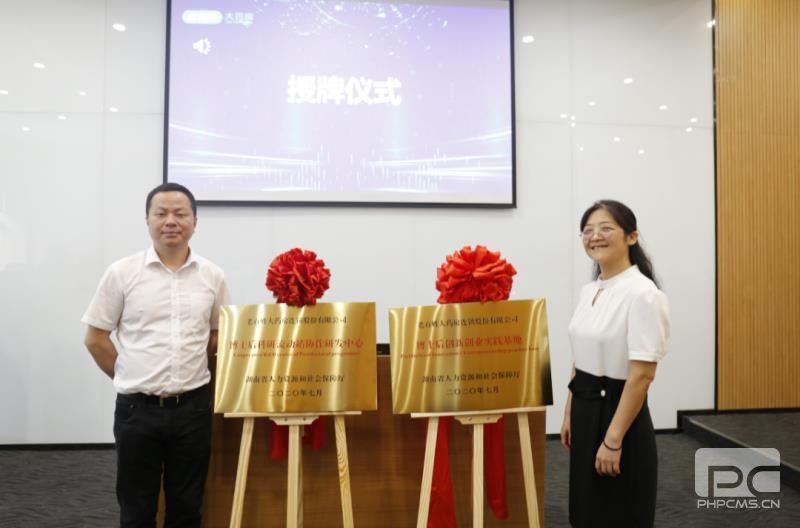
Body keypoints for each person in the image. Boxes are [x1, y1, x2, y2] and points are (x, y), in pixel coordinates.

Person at [82, 182, 230, 527]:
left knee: (187, 508)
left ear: (195, 221)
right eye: (161, 213)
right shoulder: (122, 273)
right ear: (147, 220)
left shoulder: (212, 275)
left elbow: (216, 336)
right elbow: (95, 338)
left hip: (193, 409)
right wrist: (128, 374)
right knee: (136, 509)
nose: (171, 221)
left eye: (180, 213)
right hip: (137, 410)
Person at [560, 199, 669, 528]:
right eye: (588, 230)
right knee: (586, 509)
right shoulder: (589, 290)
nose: (595, 236)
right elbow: (580, 357)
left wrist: (613, 440)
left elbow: (642, 377)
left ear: (631, 237)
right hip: (585, 407)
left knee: (617, 510)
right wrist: (569, 412)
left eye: (606, 228)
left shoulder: (643, 294)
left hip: (619, 415)